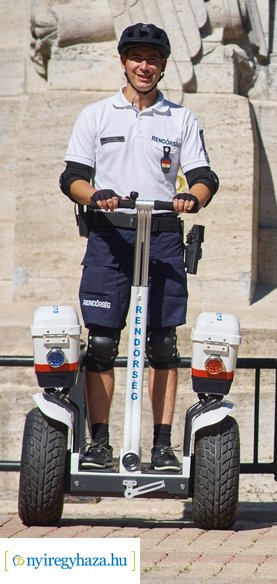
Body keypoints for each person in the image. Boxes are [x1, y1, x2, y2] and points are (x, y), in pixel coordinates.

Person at [59, 23, 219, 471]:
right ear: (123, 61)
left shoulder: (180, 118)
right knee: (103, 343)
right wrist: (95, 197)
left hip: (163, 233)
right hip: (110, 234)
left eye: (153, 59)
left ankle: (163, 446)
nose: (144, 66)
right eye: (137, 58)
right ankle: (99, 444)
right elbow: (71, 176)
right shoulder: (96, 115)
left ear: (164, 65)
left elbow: (205, 176)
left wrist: (193, 198)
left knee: (163, 344)